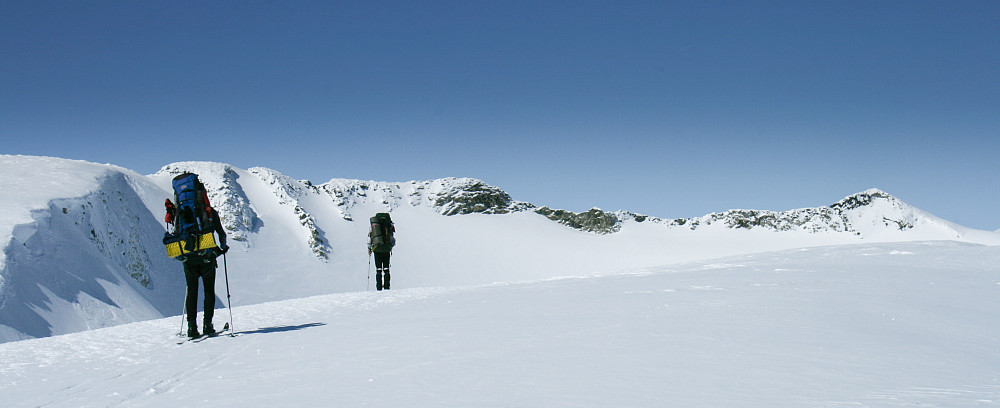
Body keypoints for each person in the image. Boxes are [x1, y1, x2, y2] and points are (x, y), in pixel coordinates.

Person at [182, 206, 228, 337]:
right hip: (207, 258)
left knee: (191, 291)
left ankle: (191, 327)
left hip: (189, 258)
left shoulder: (182, 209)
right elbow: (221, 233)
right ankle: (207, 325)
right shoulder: (209, 211)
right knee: (208, 291)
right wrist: (223, 248)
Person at [367, 213, 395, 291]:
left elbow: (371, 238)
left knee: (378, 270)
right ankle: (387, 287)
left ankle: (379, 288)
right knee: (386, 269)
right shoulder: (389, 225)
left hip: (377, 249)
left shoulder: (375, 226)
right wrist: (390, 247)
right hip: (386, 249)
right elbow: (392, 238)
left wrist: (370, 249)